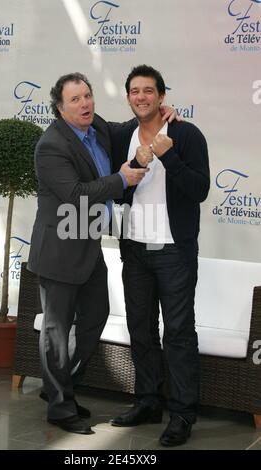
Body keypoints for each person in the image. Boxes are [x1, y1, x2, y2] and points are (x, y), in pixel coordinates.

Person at [27, 72, 176, 435]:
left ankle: (57, 386)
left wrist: (161, 113)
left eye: (88, 96)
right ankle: (61, 409)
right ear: (60, 108)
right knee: (57, 332)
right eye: (75, 100)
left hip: (88, 245)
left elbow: (131, 124)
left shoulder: (100, 130)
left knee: (96, 315)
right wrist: (123, 179)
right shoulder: (51, 145)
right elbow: (76, 193)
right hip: (60, 250)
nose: (85, 104)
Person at [109, 65, 210, 447]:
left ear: (162, 96)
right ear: (129, 97)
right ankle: (148, 401)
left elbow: (199, 189)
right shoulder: (121, 135)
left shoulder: (186, 134)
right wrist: (135, 165)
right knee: (141, 330)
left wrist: (169, 158)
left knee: (179, 333)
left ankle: (182, 413)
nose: (141, 97)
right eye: (134, 91)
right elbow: (118, 191)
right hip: (134, 248)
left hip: (174, 251)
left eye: (148, 91)